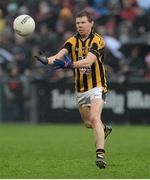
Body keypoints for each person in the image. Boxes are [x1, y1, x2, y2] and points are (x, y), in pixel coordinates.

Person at [35, 10, 112, 169]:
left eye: (83, 22)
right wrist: (46, 60)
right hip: (81, 87)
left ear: (91, 23)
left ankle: (100, 154)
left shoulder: (98, 41)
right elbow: (58, 56)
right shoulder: (71, 41)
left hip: (97, 84)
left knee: (95, 117)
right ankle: (103, 130)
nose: (80, 26)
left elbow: (88, 62)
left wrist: (69, 64)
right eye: (78, 23)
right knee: (88, 123)